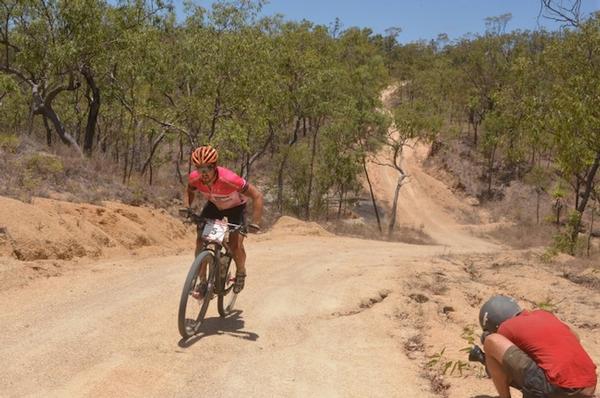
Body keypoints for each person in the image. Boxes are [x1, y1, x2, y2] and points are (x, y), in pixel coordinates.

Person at [478, 295, 597, 398]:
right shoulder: (543, 315)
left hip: (559, 388)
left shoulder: (505, 327)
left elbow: (506, 370)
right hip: (588, 386)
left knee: (491, 341)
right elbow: (575, 336)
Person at [183, 145, 263, 295]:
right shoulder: (195, 178)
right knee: (202, 240)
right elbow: (189, 190)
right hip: (215, 206)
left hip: (237, 208)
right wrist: (187, 207)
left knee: (235, 244)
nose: (203, 172)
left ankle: (240, 272)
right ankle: (202, 281)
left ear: (214, 166)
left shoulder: (229, 179)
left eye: (207, 168)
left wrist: (255, 223)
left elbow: (257, 195)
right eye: (199, 168)